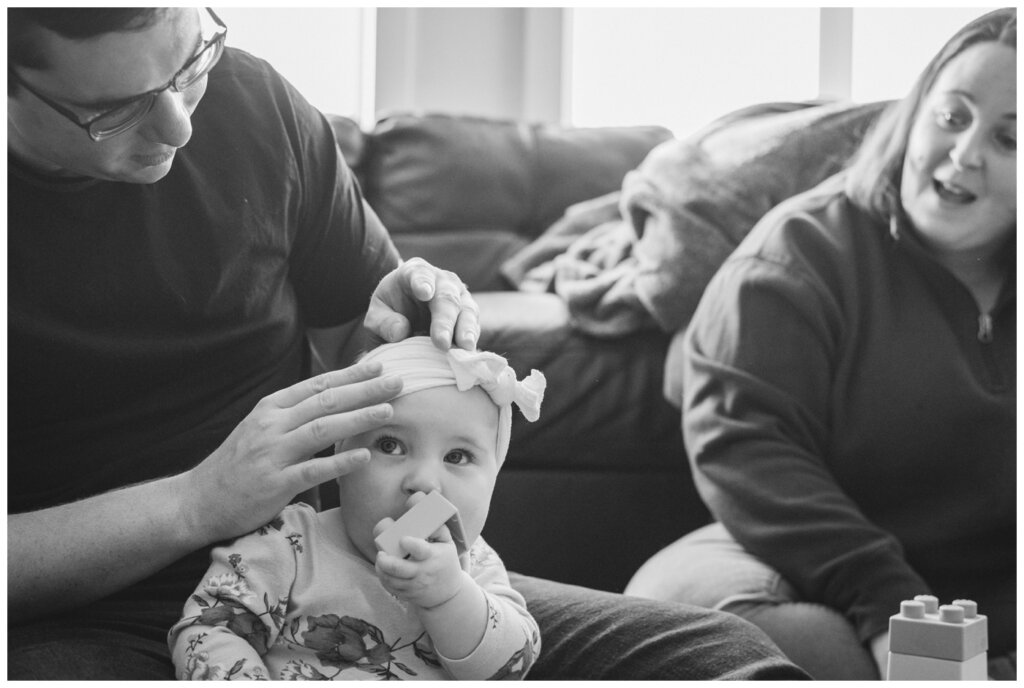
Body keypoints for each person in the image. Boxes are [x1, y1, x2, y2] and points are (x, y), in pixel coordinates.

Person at [7, 8, 810, 681]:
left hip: (353, 572)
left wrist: (391, 330)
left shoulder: (256, 106)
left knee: (719, 656)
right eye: (117, 108)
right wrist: (193, 504)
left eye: (189, 64)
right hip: (92, 625)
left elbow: (369, 366)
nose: (181, 125)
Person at [626, 7, 1016, 681]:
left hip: (997, 594)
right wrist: (893, 610)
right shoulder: (797, 252)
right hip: (827, 574)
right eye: (952, 117)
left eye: (1011, 139)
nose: (965, 154)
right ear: (915, 112)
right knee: (683, 615)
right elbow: (745, 445)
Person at [168, 337, 546, 680]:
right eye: (391, 446)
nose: (425, 482)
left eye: (458, 456)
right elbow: (207, 629)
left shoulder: (475, 565)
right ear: (341, 457)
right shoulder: (288, 545)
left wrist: (449, 597)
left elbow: (512, 665)